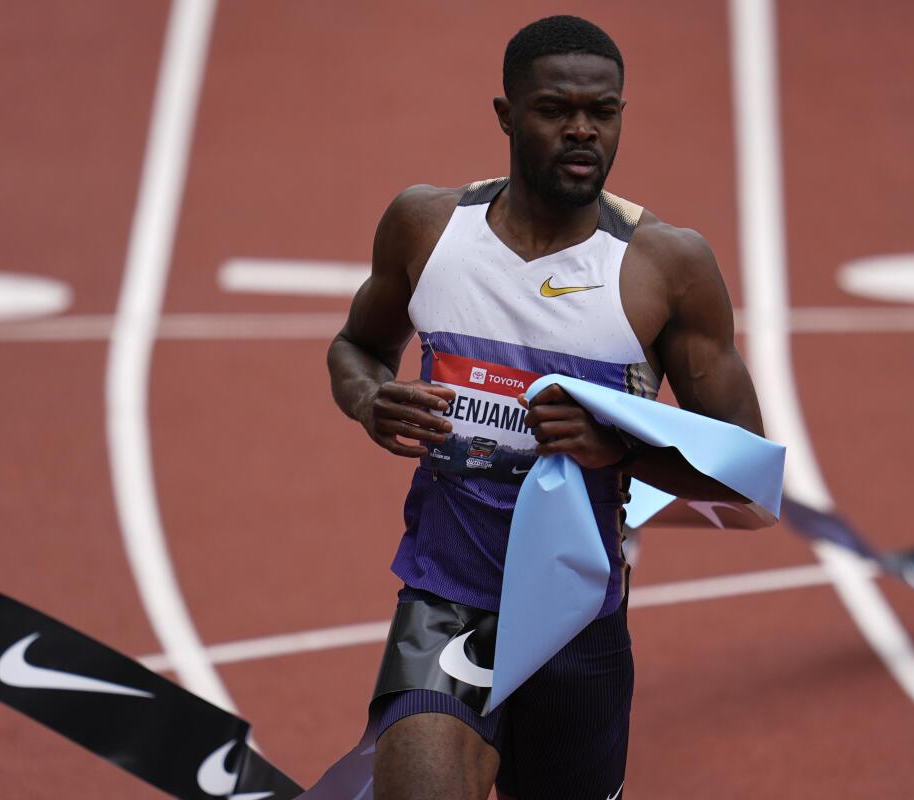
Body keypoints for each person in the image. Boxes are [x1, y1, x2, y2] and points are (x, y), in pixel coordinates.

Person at [326, 15, 764, 800]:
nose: (582, 130)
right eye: (555, 109)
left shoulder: (665, 267)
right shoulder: (429, 230)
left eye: (603, 112)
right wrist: (369, 399)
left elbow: (747, 475)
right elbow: (357, 346)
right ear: (505, 115)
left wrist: (622, 448)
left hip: (578, 627)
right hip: (447, 598)